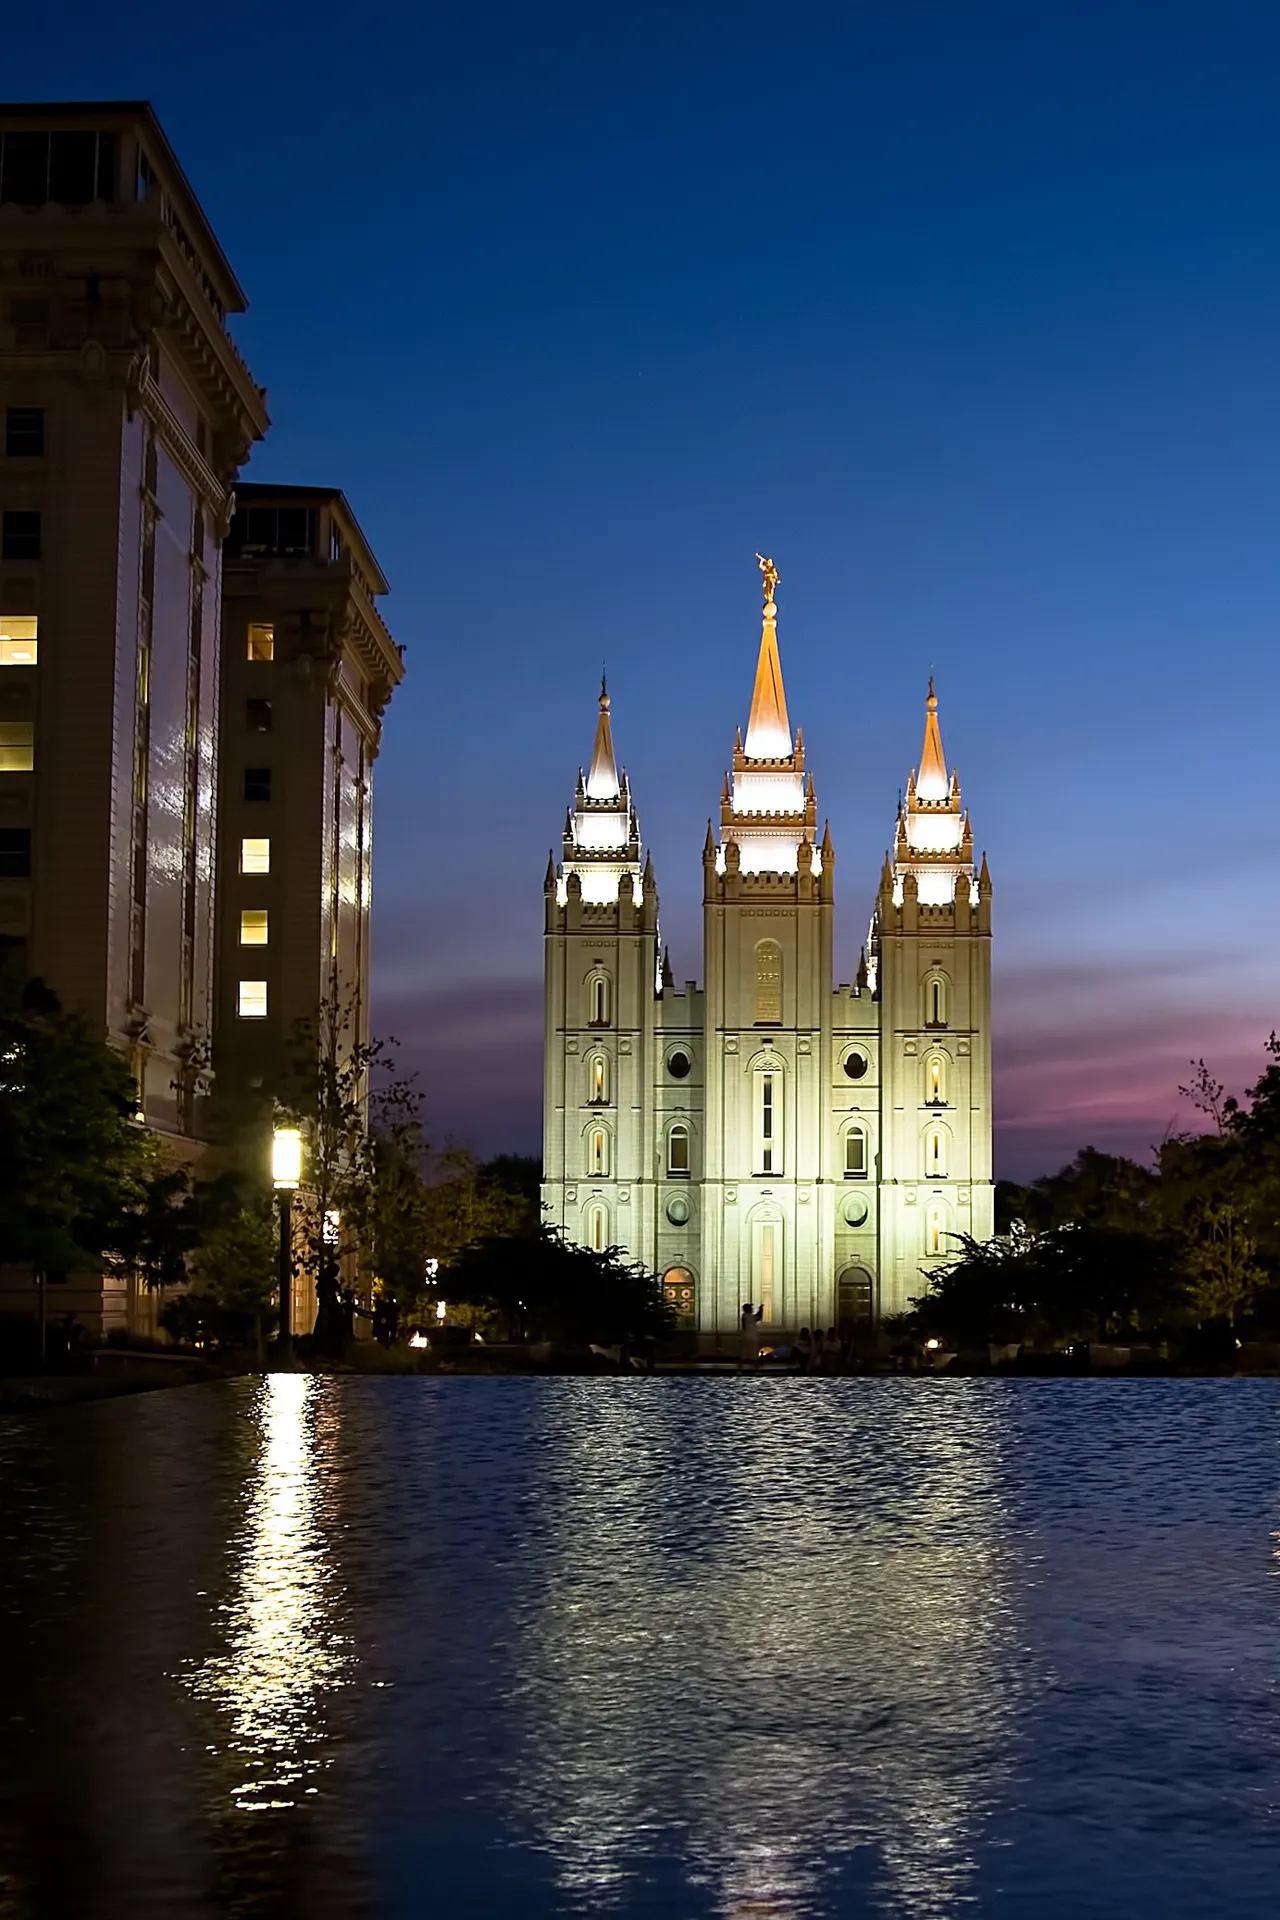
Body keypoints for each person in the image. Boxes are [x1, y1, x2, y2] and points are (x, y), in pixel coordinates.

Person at [739, 1302, 763, 1369]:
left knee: (743, 1355)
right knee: (754, 1356)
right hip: (751, 1339)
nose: (752, 1309)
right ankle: (756, 1370)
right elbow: (758, 1317)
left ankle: (739, 1369)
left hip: (746, 1337)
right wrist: (761, 1309)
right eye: (751, 1308)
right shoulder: (748, 1316)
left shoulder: (745, 1316)